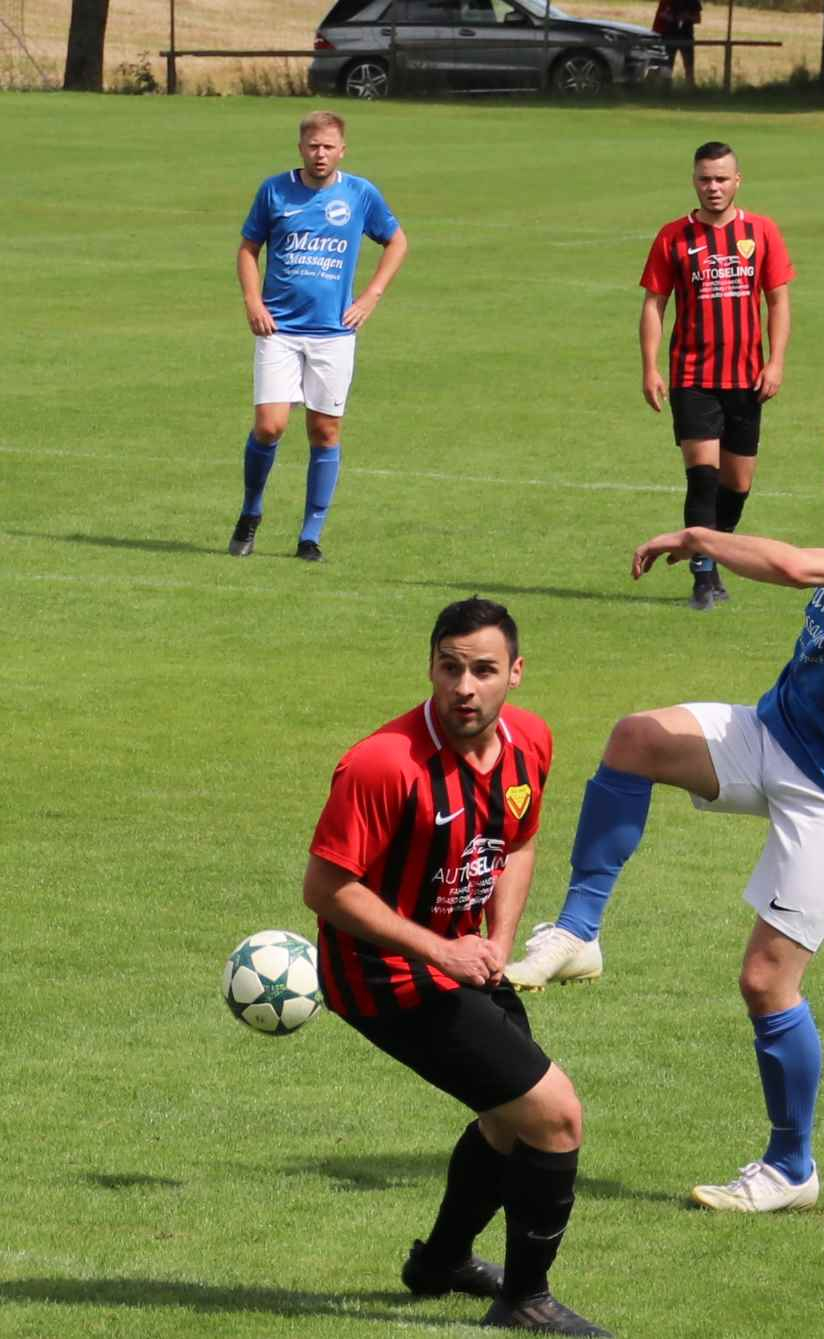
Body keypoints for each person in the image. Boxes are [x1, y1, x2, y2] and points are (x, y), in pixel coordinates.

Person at [506, 391, 824, 1213]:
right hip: (777, 733)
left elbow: (795, 568)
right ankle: (577, 933)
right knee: (636, 738)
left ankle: (792, 1168)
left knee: (765, 981)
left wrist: (701, 535)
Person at [302, 598, 611, 1336]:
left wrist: (497, 940)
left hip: (461, 961)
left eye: (483, 670)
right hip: (382, 979)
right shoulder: (382, 764)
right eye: (450, 668)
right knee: (555, 1115)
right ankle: (526, 1298)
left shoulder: (530, 742)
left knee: (508, 1118)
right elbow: (326, 887)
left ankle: (440, 1263)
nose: (464, 687)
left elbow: (518, 841)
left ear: (515, 673)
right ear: (431, 668)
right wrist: (441, 949)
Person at [229, 110, 408, 563]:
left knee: (325, 432)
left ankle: (309, 537)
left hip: (334, 333)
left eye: (328, 147)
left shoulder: (360, 194)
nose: (320, 154)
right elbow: (248, 249)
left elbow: (397, 241)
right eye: (313, 146)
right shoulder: (274, 190)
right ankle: (251, 511)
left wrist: (371, 295)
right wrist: (253, 301)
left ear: (342, 150)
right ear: (301, 149)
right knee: (270, 426)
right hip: (279, 329)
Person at [639, 141, 795, 612]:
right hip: (693, 377)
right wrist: (650, 367)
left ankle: (713, 548)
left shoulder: (761, 232)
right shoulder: (673, 237)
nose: (713, 187)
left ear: (737, 181)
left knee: (737, 484)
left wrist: (776, 362)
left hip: (747, 379)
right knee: (703, 478)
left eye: (722, 179)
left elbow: (778, 300)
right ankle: (703, 577)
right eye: (705, 178)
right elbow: (654, 304)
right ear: (694, 181)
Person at [652, 0, 702, 85]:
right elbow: (661, 14)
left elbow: (698, 19)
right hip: (670, 37)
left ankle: (690, 88)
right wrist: (669, 17)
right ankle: (665, 88)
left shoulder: (693, 1)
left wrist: (687, 17)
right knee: (667, 67)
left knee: (689, 67)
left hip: (686, 37)